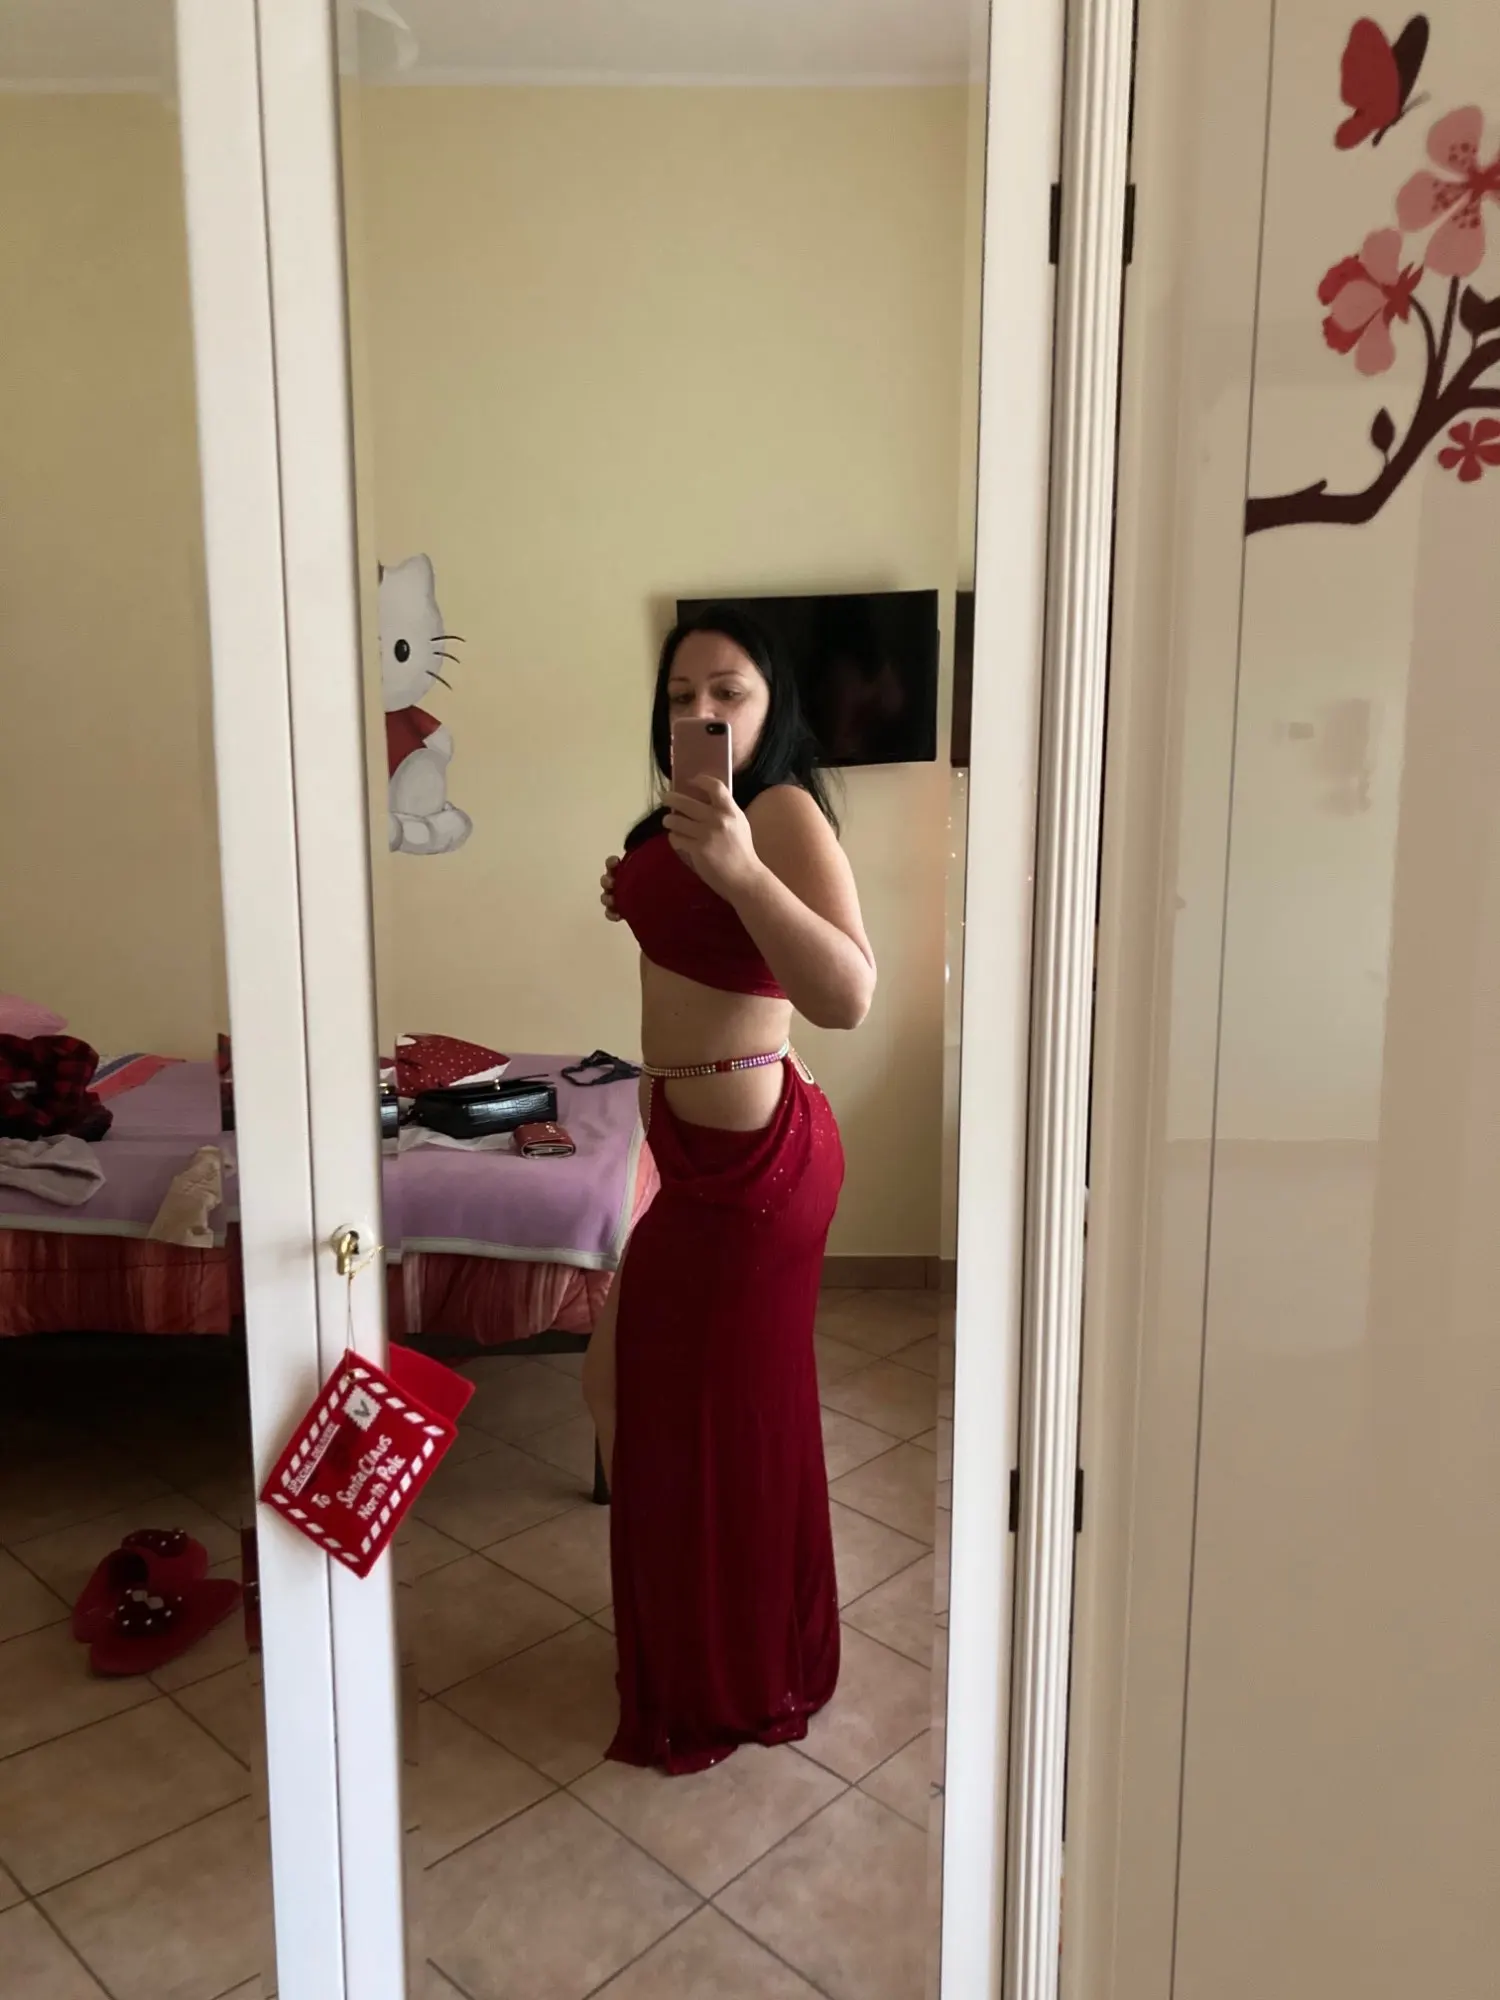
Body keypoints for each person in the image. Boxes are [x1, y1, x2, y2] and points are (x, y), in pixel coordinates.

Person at [583, 603, 876, 1774]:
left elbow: (847, 993)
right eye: (678, 696)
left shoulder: (782, 811)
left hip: (757, 1171)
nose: (698, 711)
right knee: (626, 1385)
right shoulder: (688, 820)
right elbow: (701, 944)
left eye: (727, 692)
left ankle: (734, 1665)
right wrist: (650, 884)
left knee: (717, 1420)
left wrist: (743, 870)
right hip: (694, 1147)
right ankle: (697, 1633)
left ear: (772, 704)